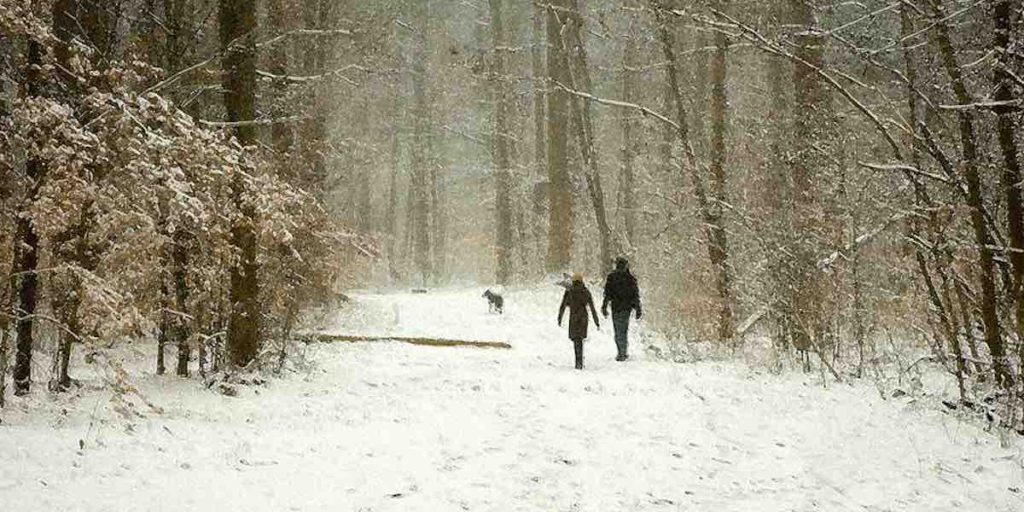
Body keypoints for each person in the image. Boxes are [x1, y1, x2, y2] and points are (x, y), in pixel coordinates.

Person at [558, 273, 600, 370]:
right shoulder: (585, 291)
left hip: (573, 317)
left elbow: (563, 305)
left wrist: (559, 318)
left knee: (575, 339)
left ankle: (578, 361)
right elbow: (592, 307)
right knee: (580, 339)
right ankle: (580, 361)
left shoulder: (569, 291)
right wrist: (596, 321)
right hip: (583, 317)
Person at [602, 257, 641, 361]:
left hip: (616, 307)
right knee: (623, 329)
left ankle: (620, 352)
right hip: (626, 308)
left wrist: (604, 306)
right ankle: (623, 352)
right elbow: (635, 294)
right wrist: (638, 308)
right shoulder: (630, 278)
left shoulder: (611, 277)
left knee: (617, 330)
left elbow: (607, 293)